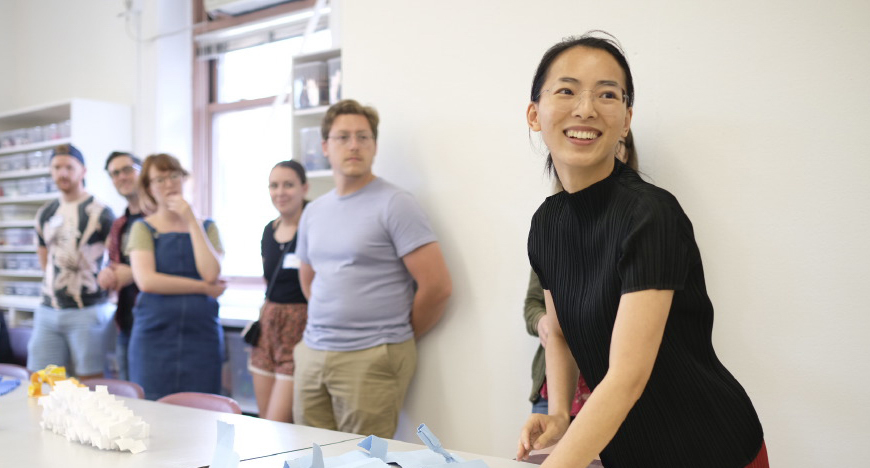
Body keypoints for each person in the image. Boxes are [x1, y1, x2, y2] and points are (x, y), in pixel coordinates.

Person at [516, 33, 767, 468]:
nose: (586, 108)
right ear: (534, 114)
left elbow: (627, 378)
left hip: (710, 447)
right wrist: (558, 412)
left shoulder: (650, 214)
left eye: (607, 94)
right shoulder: (546, 224)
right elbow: (557, 333)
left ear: (626, 118)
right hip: (629, 453)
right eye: (567, 90)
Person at [294, 99, 452, 438]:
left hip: (371, 356)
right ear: (325, 147)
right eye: (343, 137)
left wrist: (393, 337)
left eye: (363, 137)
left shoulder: (395, 203)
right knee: (309, 454)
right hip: (313, 352)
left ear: (374, 146)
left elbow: (437, 287)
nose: (354, 145)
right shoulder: (314, 212)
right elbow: (310, 279)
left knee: (361, 461)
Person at [525, 132, 637, 416]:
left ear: (626, 154)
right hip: (556, 387)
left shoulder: (640, 222)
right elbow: (533, 305)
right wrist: (545, 325)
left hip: (611, 386)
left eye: (617, 146)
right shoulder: (550, 224)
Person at [126, 153, 227, 400]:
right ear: (149, 188)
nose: (169, 184)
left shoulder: (208, 227)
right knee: (153, 409)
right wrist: (203, 288)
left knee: (203, 410)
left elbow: (211, 272)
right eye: (159, 179)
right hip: (154, 337)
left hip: (202, 337)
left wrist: (191, 220)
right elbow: (147, 281)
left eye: (174, 176)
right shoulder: (142, 228)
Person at [27, 144, 115, 378]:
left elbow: (115, 260)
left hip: (87, 310)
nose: (62, 173)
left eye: (69, 167)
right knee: (42, 379)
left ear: (83, 171)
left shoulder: (102, 212)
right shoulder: (46, 213)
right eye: (56, 167)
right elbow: (44, 259)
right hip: (49, 309)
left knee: (91, 381)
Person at [249, 160, 309, 422]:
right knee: (265, 421)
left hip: (300, 329)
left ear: (304, 188)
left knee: (279, 421)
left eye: (288, 185)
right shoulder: (268, 230)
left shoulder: (313, 228)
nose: (280, 192)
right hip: (268, 328)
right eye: (274, 185)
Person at [97, 151, 144, 380]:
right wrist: (107, 274)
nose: (122, 177)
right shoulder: (119, 224)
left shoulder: (160, 219)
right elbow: (115, 264)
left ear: (142, 171)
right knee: (130, 398)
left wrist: (134, 274)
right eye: (115, 173)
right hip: (125, 322)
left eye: (127, 169)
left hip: (153, 325)